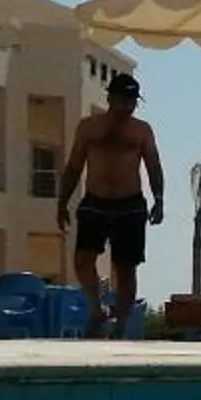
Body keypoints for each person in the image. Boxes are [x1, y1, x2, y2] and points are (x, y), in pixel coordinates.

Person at [57, 72, 163, 336]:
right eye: (123, 99)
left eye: (132, 100)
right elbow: (73, 166)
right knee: (82, 260)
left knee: (126, 266)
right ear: (111, 98)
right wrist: (62, 201)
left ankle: (121, 323)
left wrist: (159, 199)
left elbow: (153, 166)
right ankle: (96, 308)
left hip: (130, 204)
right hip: (95, 201)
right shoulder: (88, 127)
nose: (128, 105)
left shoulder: (142, 130)